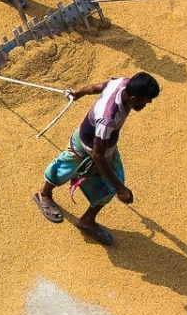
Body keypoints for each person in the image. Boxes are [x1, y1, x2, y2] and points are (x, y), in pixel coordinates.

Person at [34, 72, 161, 246]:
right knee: (63, 169)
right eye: (146, 100)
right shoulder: (107, 119)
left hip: (106, 148)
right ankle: (44, 194)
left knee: (109, 188)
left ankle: (87, 221)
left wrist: (80, 92)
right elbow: (97, 155)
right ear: (133, 98)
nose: (148, 103)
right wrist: (120, 188)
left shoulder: (122, 83)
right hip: (87, 147)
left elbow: (98, 87)